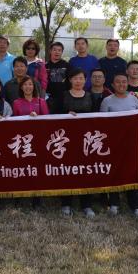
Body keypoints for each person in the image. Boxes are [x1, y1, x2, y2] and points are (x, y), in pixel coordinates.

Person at [99, 73, 138, 217]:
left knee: (132, 173)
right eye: (118, 82)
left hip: (131, 144)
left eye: (124, 82)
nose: (121, 84)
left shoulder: (134, 99)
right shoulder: (107, 101)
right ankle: (114, 204)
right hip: (113, 144)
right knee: (114, 173)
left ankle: (135, 206)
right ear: (113, 85)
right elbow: (102, 123)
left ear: (127, 84)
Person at [60, 67, 94, 218]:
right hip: (67, 140)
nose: (78, 81)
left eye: (81, 78)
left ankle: (86, 205)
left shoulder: (90, 96)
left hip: (87, 141)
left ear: (85, 80)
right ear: (70, 80)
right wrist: (65, 115)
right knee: (67, 171)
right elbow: (54, 115)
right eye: (75, 78)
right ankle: (66, 203)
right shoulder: (63, 95)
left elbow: (97, 117)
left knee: (86, 171)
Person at [45, 41, 70, 114]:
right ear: (50, 51)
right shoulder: (45, 66)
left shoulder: (67, 65)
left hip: (64, 99)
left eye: (59, 50)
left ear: (62, 52)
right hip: (49, 99)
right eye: (54, 50)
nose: (57, 52)